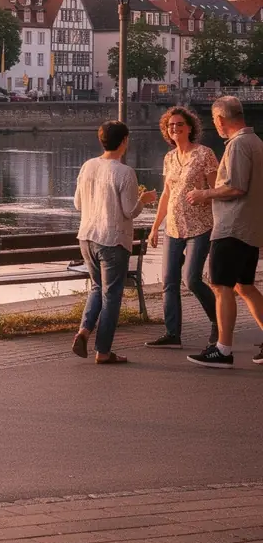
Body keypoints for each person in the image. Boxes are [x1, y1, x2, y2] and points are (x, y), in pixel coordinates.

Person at [186, 96, 263, 368]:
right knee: (244, 286)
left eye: (215, 121)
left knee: (221, 287)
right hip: (251, 227)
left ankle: (223, 350)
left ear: (220, 119)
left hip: (232, 227)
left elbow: (236, 187)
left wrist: (203, 193)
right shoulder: (256, 143)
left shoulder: (239, 145)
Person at [71, 120, 157, 364]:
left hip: (86, 237)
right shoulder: (124, 172)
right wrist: (145, 199)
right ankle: (104, 351)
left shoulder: (87, 166)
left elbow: (77, 204)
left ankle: (84, 331)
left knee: (98, 288)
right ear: (125, 141)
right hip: (112, 240)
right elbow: (130, 211)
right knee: (112, 296)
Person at [146, 107, 219, 349]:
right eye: (170, 125)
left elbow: (218, 190)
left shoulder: (204, 154)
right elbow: (167, 193)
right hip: (173, 228)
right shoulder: (169, 158)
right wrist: (155, 227)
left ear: (190, 127)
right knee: (168, 282)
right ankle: (172, 334)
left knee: (192, 279)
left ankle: (219, 322)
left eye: (179, 124)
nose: (174, 128)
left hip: (200, 226)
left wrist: (204, 195)